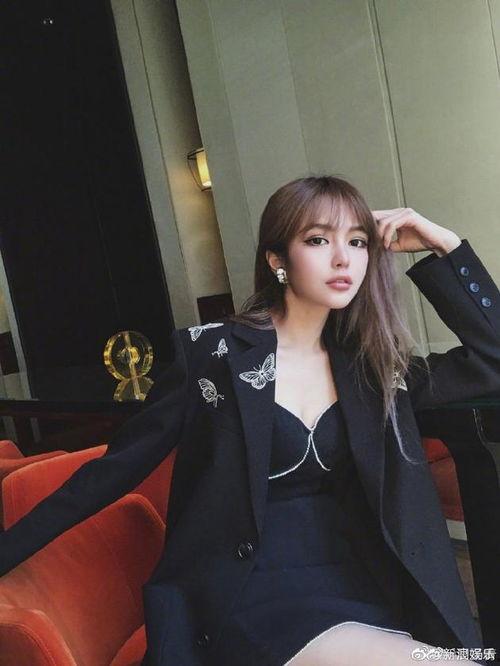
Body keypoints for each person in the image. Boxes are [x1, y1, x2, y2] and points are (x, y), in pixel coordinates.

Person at [1, 175, 498, 666]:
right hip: (251, 595)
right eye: (318, 240)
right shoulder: (212, 355)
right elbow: (109, 474)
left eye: (357, 242)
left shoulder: (374, 367)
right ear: (277, 260)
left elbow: (492, 359)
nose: (343, 259)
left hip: (361, 585)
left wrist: (446, 246)